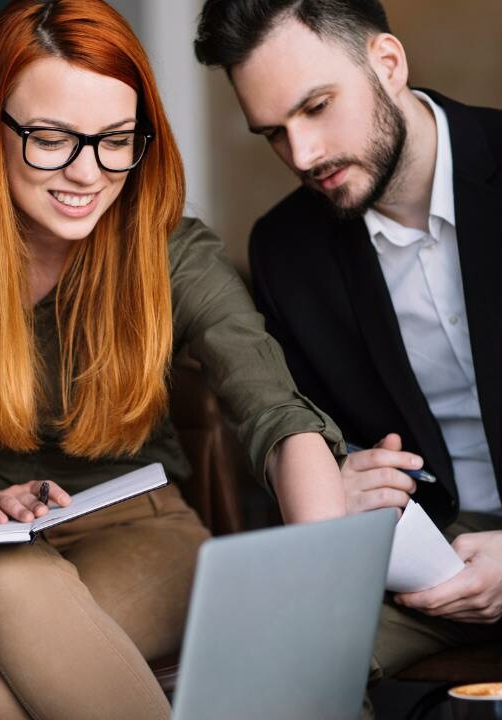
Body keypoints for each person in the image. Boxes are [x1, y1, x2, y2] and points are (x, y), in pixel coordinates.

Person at [0, 1, 347, 717]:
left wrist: (326, 588)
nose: (88, 174)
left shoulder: (169, 246)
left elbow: (272, 408)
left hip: (142, 531)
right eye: (50, 138)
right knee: (10, 578)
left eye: (114, 140)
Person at [195, 0, 502, 700]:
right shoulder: (285, 249)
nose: (301, 156)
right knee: (270, 666)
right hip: (426, 561)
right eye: (273, 132)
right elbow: (308, 434)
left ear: (387, 64)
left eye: (317, 107)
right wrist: (341, 478)